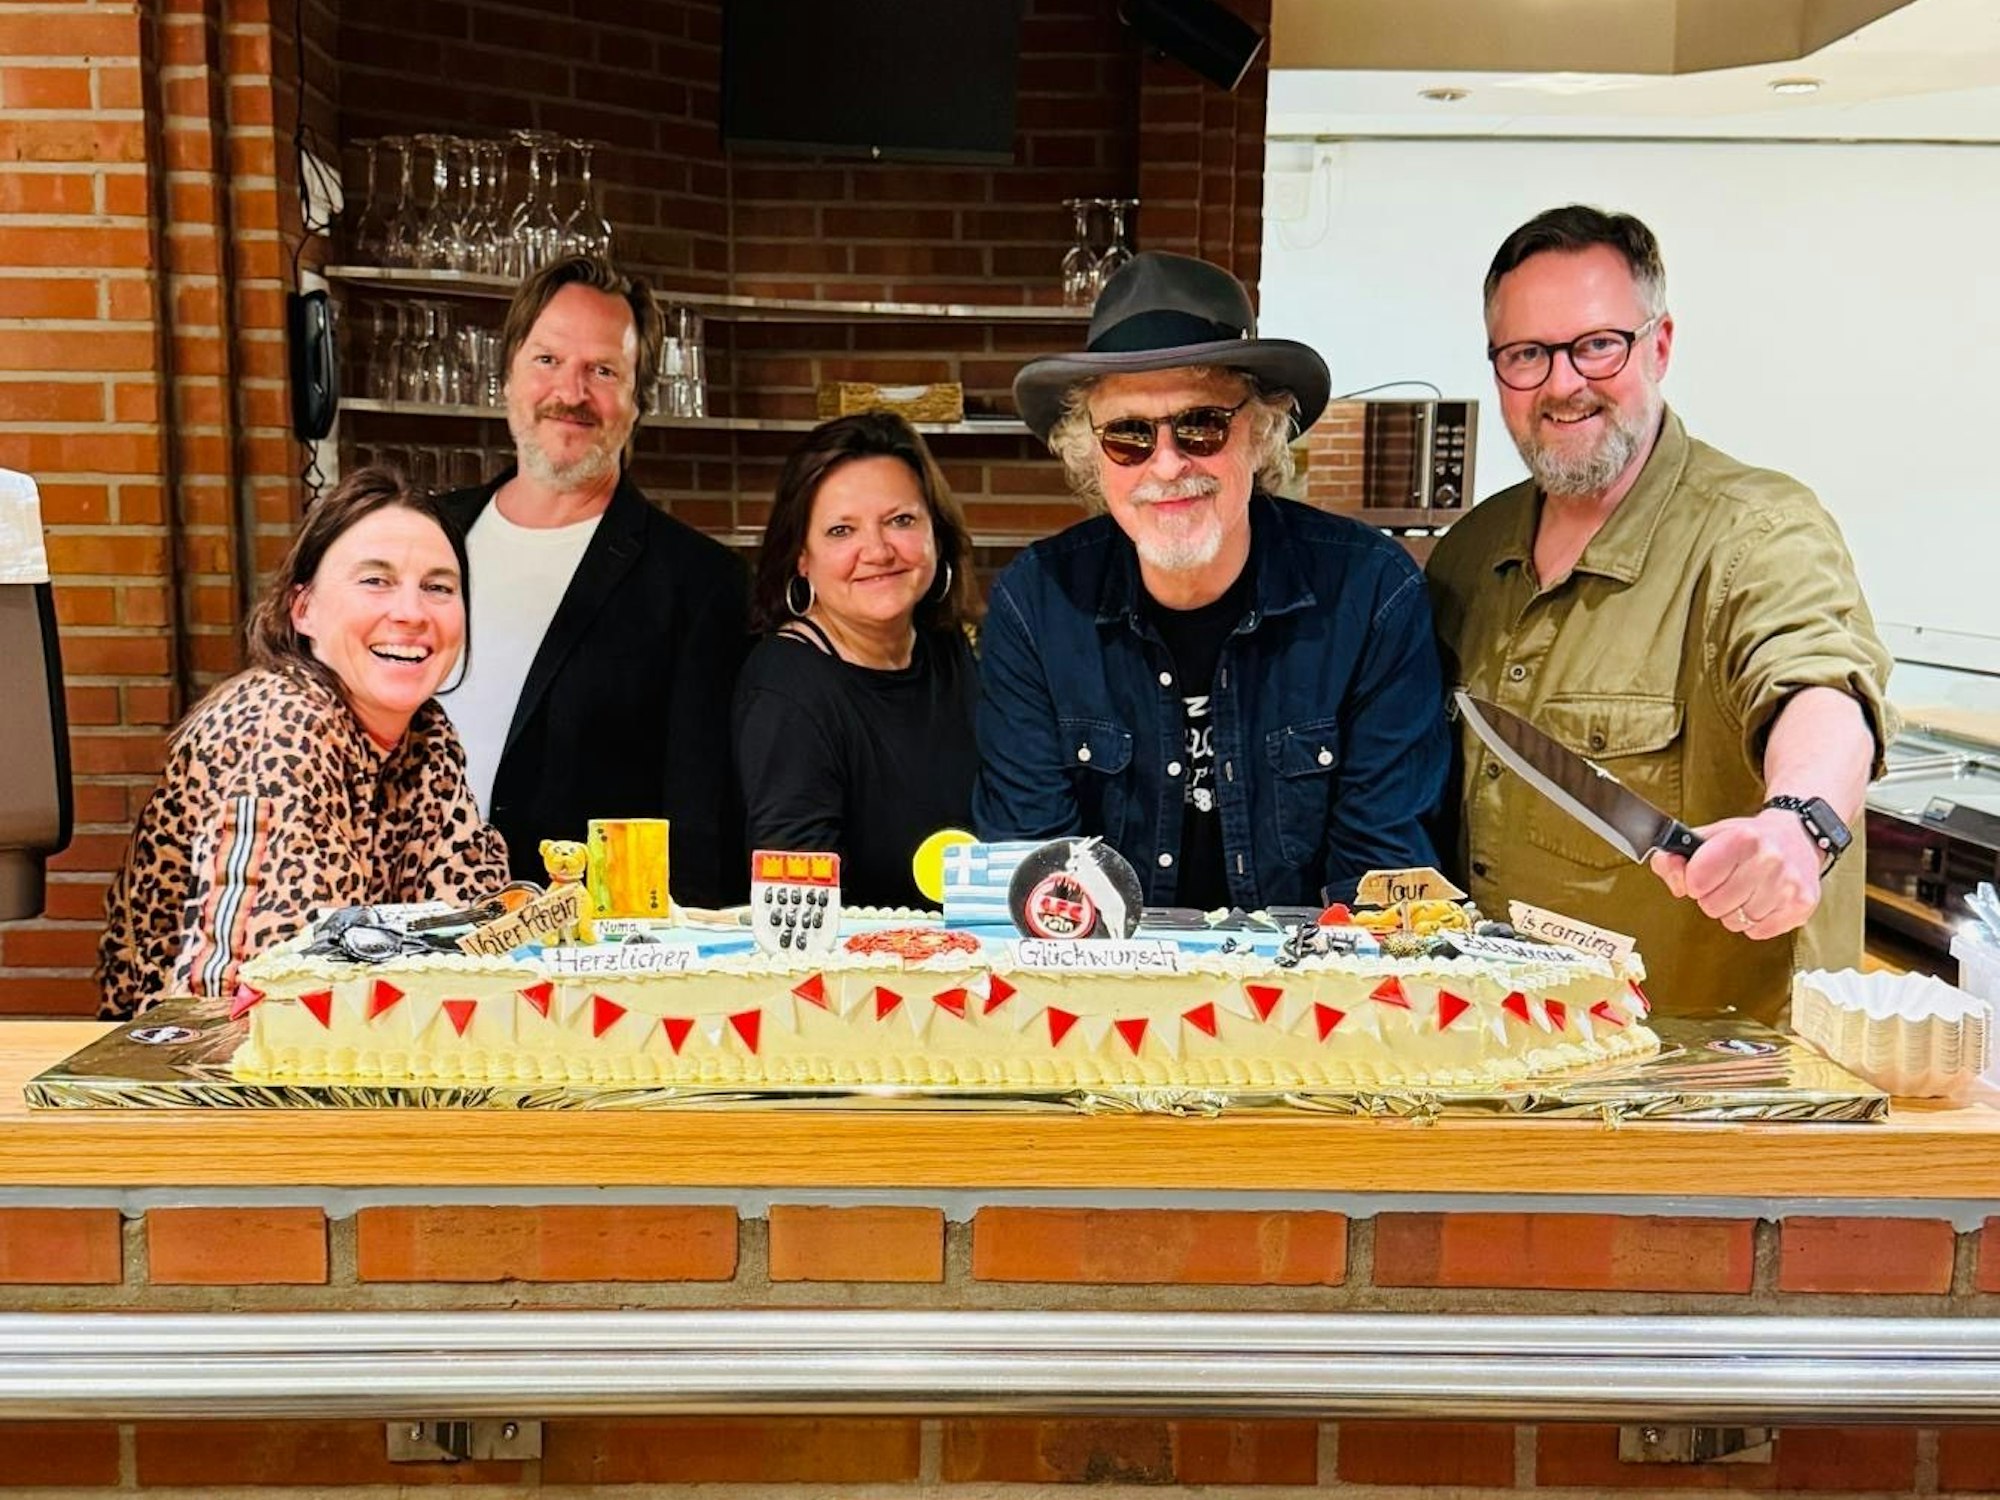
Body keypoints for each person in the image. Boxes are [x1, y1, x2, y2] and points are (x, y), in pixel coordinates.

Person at [1427, 204, 1893, 1020]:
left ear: (1660, 345)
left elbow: (1820, 687)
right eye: (1527, 355)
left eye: (1598, 345)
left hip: (1700, 1092)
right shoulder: (1472, 551)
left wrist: (1797, 823)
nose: (1564, 383)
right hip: (1505, 1060)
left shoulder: (1758, 531)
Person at [976, 251, 1450, 911]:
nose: (1167, 465)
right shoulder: (1036, 604)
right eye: (1129, 436)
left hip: (1311, 997)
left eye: (1201, 425)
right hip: (1097, 998)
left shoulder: (1369, 595)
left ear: (1259, 432)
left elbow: (1378, 885)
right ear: (1093, 453)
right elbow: (1035, 883)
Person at [97, 467, 508, 1020]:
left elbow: (477, 945)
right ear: (304, 609)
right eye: (375, 580)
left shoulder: (427, 737)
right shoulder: (277, 725)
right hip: (195, 1080)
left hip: (360, 1063)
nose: (411, 612)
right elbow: (261, 995)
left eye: (438, 587)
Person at [437, 255, 751, 906]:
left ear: (638, 403)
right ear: (507, 377)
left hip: (582, 967)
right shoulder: (419, 539)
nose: (571, 393)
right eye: (547, 360)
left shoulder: (700, 584)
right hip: (399, 945)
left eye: (603, 371)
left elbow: (698, 827)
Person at [732, 412, 979, 909]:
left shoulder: (950, 652)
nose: (878, 550)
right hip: (856, 979)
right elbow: (801, 910)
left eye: (901, 520)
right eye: (842, 531)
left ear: (937, 531)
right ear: (802, 555)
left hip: (971, 962)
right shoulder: (786, 690)